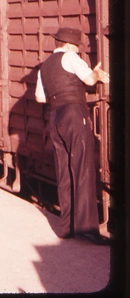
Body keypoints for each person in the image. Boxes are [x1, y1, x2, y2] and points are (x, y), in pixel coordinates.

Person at [35, 27, 110, 245]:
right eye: (76, 46)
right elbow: (88, 81)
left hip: (55, 117)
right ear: (69, 45)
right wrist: (96, 74)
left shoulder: (45, 65)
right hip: (74, 115)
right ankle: (86, 230)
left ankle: (66, 227)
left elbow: (40, 98)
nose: (77, 50)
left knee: (65, 171)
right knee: (83, 169)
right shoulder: (71, 57)